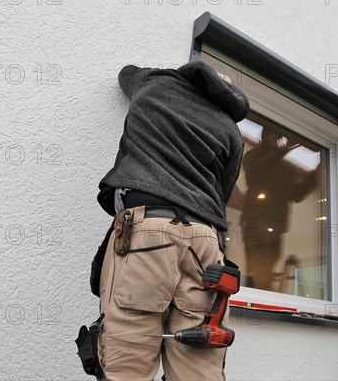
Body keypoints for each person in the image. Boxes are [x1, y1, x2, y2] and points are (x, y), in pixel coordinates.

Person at [96, 61, 249, 380]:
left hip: (148, 231)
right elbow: (221, 196)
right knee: (199, 367)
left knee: (129, 361)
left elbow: (126, 72)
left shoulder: (156, 86)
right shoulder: (232, 131)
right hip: (206, 245)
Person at [240, 127, 317, 290]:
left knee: (268, 268)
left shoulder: (281, 166)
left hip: (275, 226)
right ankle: (255, 303)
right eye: (275, 137)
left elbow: (295, 194)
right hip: (255, 221)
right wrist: (285, 149)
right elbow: (258, 172)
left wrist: (315, 175)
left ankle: (263, 303)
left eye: (279, 138)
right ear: (265, 137)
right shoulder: (253, 156)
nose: (277, 141)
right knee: (260, 268)